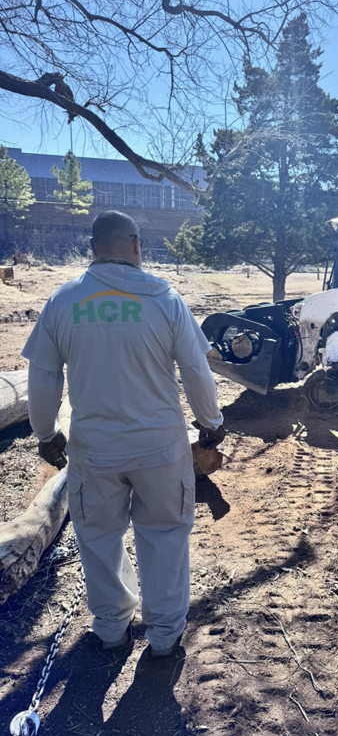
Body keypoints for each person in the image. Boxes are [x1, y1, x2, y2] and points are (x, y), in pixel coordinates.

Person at [22, 210, 224, 657]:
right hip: (161, 449)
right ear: (136, 245)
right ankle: (166, 636)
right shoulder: (165, 299)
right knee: (166, 537)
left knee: (98, 538)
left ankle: (111, 630)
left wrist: (44, 432)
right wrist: (211, 422)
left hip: (95, 451)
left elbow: (43, 376)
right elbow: (196, 370)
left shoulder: (62, 301)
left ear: (92, 248)